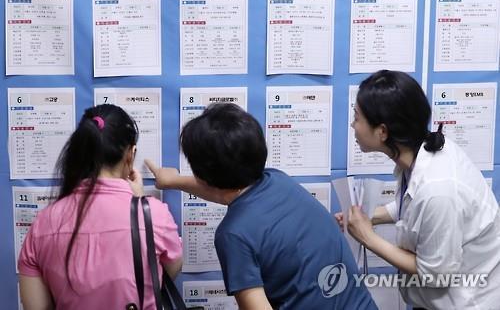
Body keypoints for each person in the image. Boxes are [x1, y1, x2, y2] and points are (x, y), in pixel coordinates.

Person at [145, 103, 377, 310]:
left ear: (203, 173)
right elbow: (227, 190)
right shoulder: (277, 180)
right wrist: (173, 181)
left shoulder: (233, 234)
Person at [343, 69, 500, 309]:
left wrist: (368, 238)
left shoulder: (438, 189)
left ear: (382, 131)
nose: (353, 125)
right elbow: (413, 206)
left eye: (357, 117)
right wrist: (371, 218)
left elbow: (436, 275)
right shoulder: (420, 155)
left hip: (467, 302)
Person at [18, 104, 182, 310]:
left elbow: (36, 307)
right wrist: (140, 201)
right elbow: (168, 271)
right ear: (130, 155)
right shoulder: (154, 215)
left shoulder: (43, 223)